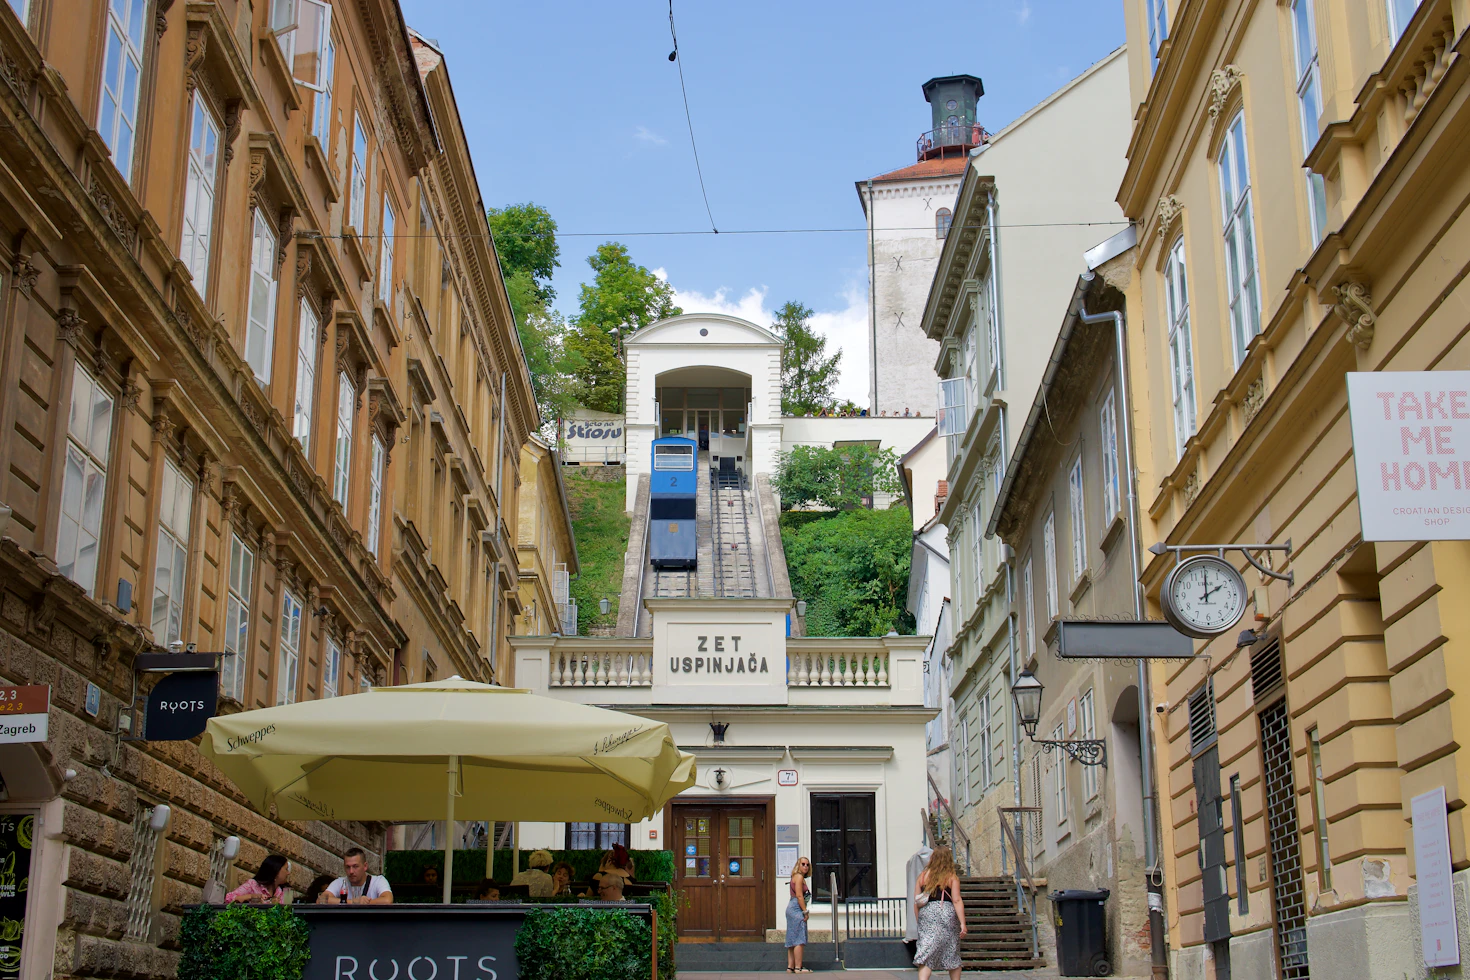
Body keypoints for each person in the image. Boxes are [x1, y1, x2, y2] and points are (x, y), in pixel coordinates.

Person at [914, 846, 967, 980]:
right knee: (952, 951)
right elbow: (956, 900)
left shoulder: (923, 876)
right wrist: (962, 923)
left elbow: (917, 901)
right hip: (946, 912)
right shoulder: (951, 877)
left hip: (927, 913)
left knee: (926, 953)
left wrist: (918, 921)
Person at [319, 848, 394, 904]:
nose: (351, 871)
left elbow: (387, 900)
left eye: (355, 866)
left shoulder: (378, 881)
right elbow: (321, 899)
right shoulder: (340, 882)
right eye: (348, 867)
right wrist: (353, 902)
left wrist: (365, 903)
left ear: (365, 866)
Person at [225, 854, 290, 904]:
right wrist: (251, 897)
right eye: (286, 869)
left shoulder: (286, 891)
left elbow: (288, 914)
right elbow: (229, 898)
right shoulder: (253, 885)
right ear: (276, 870)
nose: (288, 873)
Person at [785, 855, 812, 973]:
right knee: (799, 939)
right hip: (796, 908)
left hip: (791, 907)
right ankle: (798, 967)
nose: (805, 866)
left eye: (807, 865)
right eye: (803, 864)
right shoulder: (799, 877)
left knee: (792, 938)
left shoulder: (794, 877)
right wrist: (805, 911)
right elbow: (799, 896)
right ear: (798, 865)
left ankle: (790, 967)